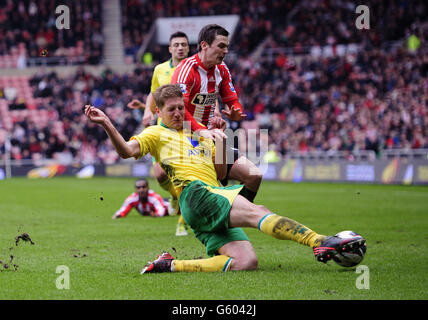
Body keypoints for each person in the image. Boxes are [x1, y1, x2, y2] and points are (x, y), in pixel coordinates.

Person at [84, 84, 366, 274]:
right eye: (171, 109)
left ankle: (170, 265)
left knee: (246, 262)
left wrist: (220, 138)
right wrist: (108, 124)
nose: (179, 113)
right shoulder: (155, 134)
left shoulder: (198, 134)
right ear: (158, 111)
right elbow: (126, 152)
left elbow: (219, 174)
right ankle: (320, 241)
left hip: (206, 198)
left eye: (181, 107)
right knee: (259, 211)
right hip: (195, 193)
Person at [171, 24, 262, 204]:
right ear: (204, 45)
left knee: (254, 176)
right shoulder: (186, 70)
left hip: (213, 139)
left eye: (227, 47)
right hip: (187, 140)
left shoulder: (222, 69)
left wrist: (236, 113)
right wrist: (203, 131)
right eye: (221, 46)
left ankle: (237, 215)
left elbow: (231, 99)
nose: (226, 51)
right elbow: (180, 113)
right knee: (212, 190)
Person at [127, 31, 191, 236]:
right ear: (170, 48)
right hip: (163, 127)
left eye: (184, 44)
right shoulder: (160, 69)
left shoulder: (194, 69)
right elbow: (154, 94)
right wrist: (146, 110)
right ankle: (175, 197)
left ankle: (183, 222)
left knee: (185, 174)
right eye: (176, 45)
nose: (180, 48)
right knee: (160, 173)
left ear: (189, 48)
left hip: (187, 126)